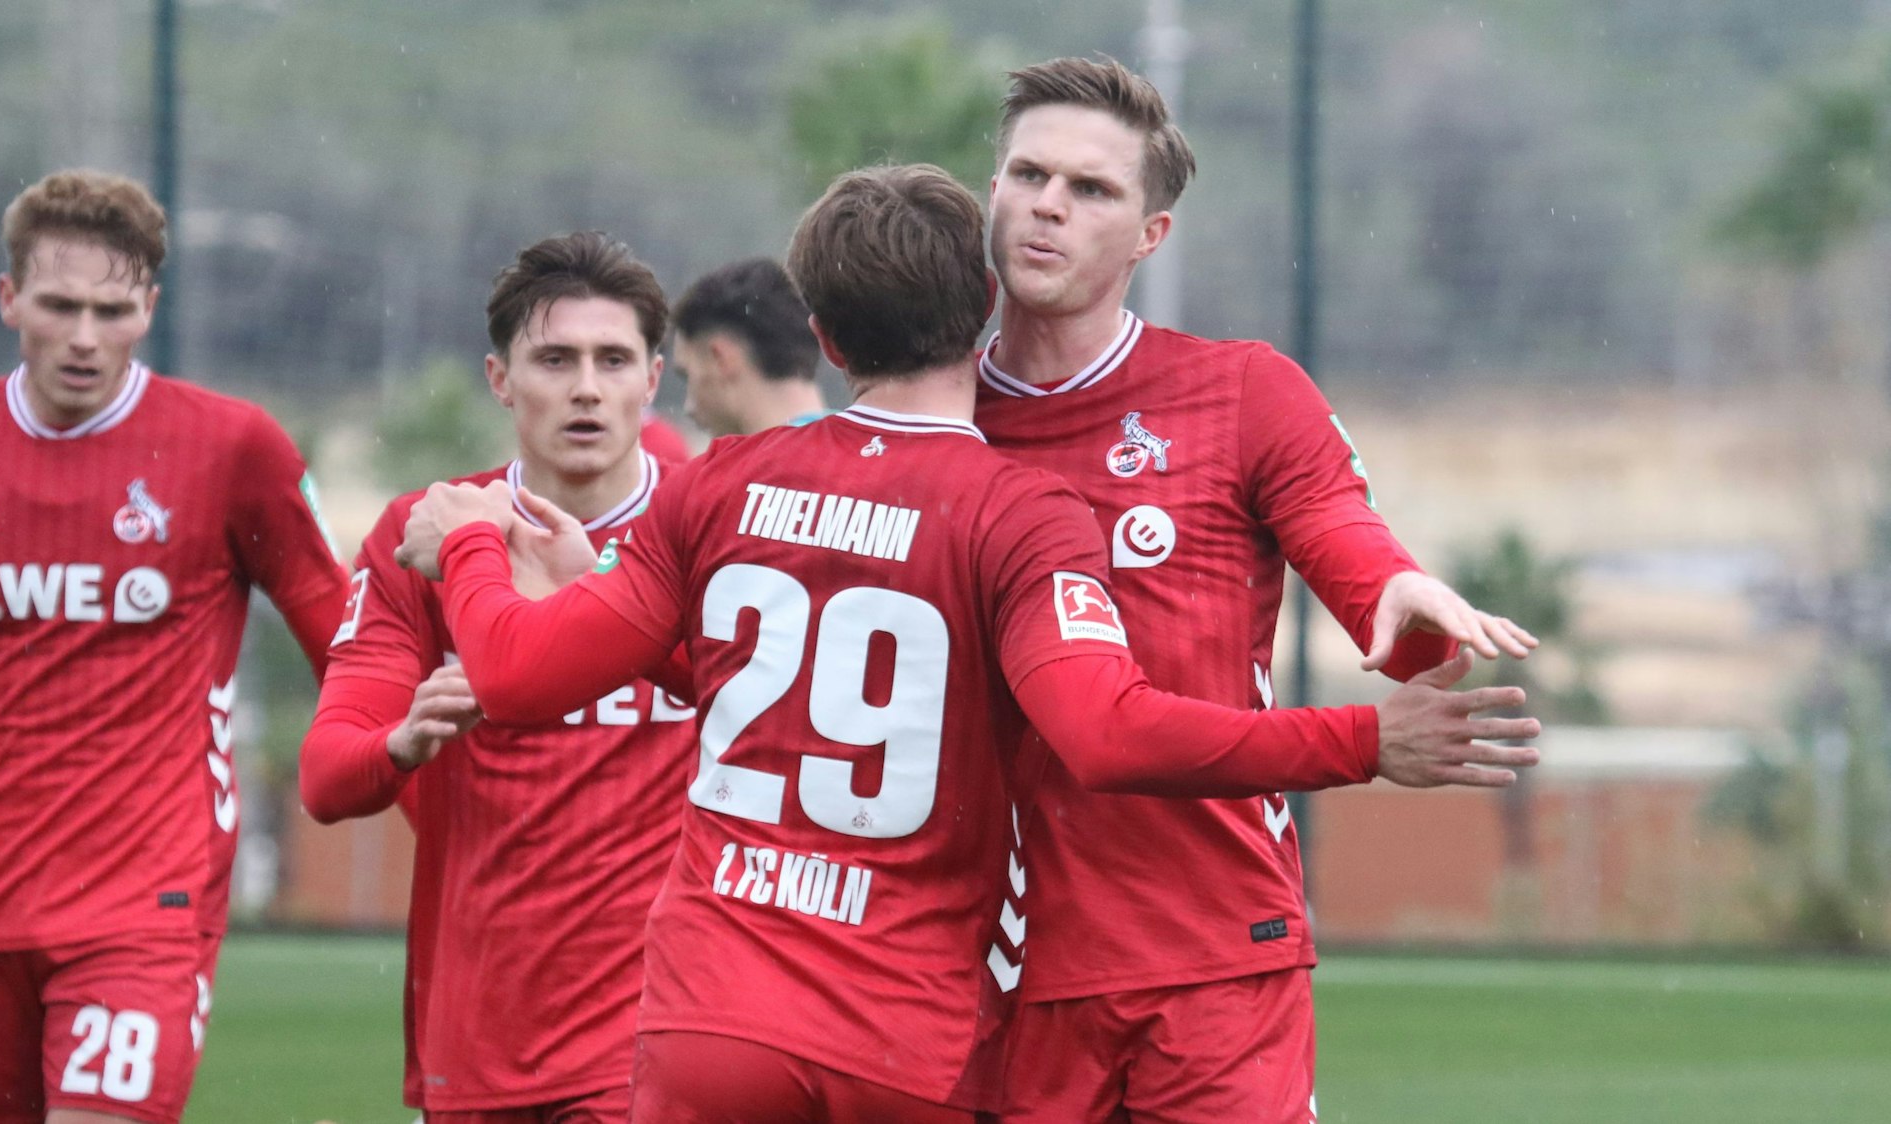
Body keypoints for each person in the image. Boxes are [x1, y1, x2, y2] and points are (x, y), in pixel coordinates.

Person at [394, 165, 1539, 1123]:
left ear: (826, 335)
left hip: (712, 1020)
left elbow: (513, 672)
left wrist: (476, 546)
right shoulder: (1018, 510)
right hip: (904, 1033)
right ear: (987, 303)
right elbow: (1105, 730)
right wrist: (1360, 739)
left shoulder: (722, 483)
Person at [976, 57, 1539, 1122]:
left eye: (1091, 188)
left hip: (1215, 951)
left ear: (1151, 236)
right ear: (991, 193)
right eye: (1026, 174)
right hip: (997, 965)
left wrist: (1399, 595)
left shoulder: (1237, 391)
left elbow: (1343, 536)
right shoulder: (936, 421)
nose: (1048, 203)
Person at [0, 169, 350, 1124]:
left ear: (149, 306)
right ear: (10, 299)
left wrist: (394, 766)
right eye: (60, 305)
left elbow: (341, 635)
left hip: (145, 901)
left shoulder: (232, 448)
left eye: (113, 308)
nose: (86, 337)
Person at [297, 231, 695, 1123]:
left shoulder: (713, 527)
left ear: (653, 379)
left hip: (664, 1029)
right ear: (500, 379)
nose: (586, 386)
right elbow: (325, 778)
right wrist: (401, 743)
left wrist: (588, 587)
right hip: (482, 1036)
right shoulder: (425, 533)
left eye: (611, 359)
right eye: (554, 359)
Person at [668, 257, 829, 435]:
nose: (689, 408)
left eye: (687, 375)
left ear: (720, 359)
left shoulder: (768, 460)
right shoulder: (859, 447)